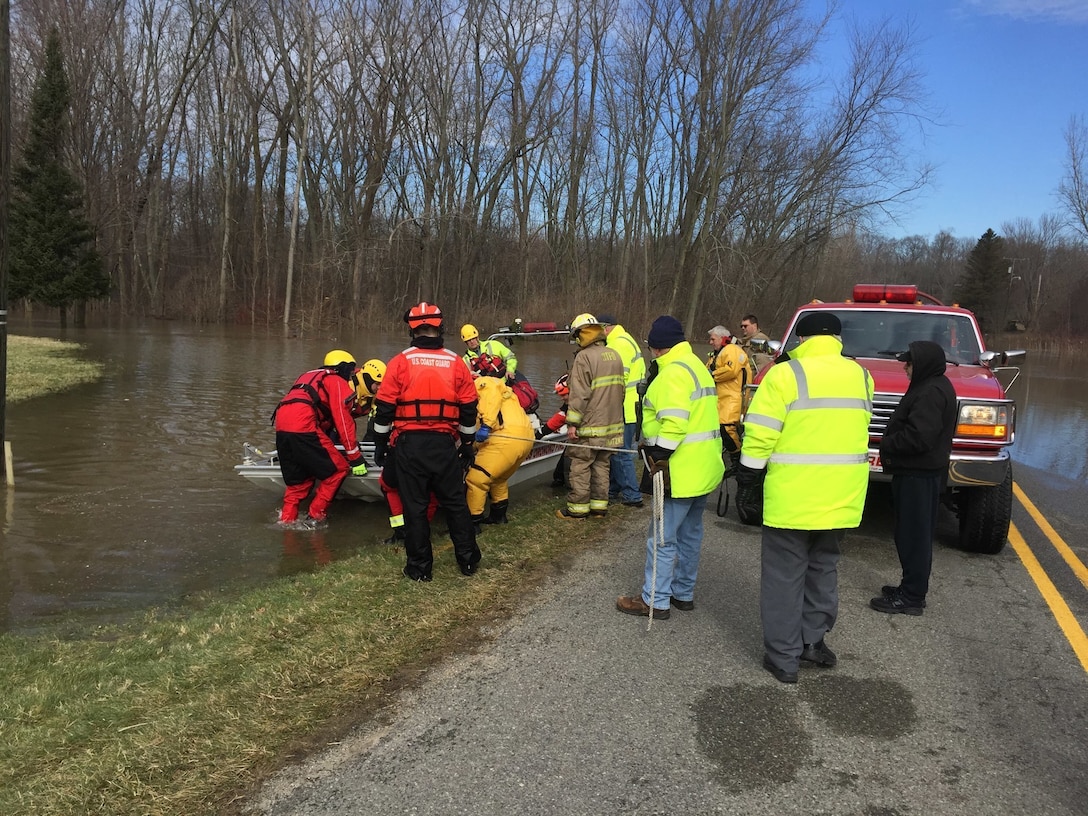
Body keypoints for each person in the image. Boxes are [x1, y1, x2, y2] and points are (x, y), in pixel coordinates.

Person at [736, 311, 873, 683]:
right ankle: (813, 642)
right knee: (823, 568)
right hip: (842, 495)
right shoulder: (861, 375)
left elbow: (762, 431)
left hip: (793, 498)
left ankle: (783, 658)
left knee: (784, 575)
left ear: (801, 339)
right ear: (837, 339)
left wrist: (748, 472)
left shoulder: (785, 374)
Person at [616, 316, 724, 619]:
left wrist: (654, 454)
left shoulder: (672, 375)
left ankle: (655, 600)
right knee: (691, 535)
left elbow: (674, 424)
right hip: (704, 468)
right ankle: (683, 593)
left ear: (656, 347)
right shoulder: (697, 367)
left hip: (678, 471)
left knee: (662, 538)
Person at [373, 302, 482, 581]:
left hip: (410, 444)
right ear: (440, 327)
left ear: (411, 329)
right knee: (456, 503)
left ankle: (420, 569)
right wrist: (468, 445)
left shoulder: (399, 362)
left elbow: (384, 409)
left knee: (415, 507)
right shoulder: (456, 362)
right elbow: (469, 408)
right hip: (445, 443)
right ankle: (469, 561)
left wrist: (381, 446)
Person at [869, 340, 957, 616]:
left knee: (914, 536)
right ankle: (909, 587)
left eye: (909, 363)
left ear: (922, 364)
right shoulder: (930, 386)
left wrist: (888, 443)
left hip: (919, 475)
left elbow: (920, 437)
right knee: (908, 533)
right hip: (918, 473)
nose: (905, 367)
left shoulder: (931, 391)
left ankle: (912, 596)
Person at [272, 350, 369, 526]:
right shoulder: (336, 380)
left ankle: (286, 523)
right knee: (338, 471)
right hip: (304, 426)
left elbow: (322, 410)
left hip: (282, 426)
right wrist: (355, 456)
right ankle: (315, 518)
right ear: (343, 368)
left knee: (297, 485)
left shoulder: (308, 376)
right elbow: (342, 418)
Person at [557, 313, 625, 520]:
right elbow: (621, 391)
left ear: (582, 334)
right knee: (602, 465)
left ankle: (577, 509)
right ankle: (598, 508)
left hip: (589, 425)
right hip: (611, 425)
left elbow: (579, 394)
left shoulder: (584, 357)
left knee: (580, 466)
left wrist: (572, 423)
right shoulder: (614, 355)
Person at [466, 375, 536, 531]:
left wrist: (486, 426)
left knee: (476, 479)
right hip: (525, 437)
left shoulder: (482, 384)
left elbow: (490, 402)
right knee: (498, 477)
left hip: (505, 438)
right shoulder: (505, 390)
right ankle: (499, 516)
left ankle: (472, 522)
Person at [598, 313, 646, 508]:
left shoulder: (618, 344)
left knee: (620, 452)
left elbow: (618, 380)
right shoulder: (625, 340)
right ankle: (612, 489)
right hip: (632, 407)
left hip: (625, 409)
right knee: (617, 451)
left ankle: (632, 495)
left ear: (605, 328)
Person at [706, 325, 749, 474]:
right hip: (722, 398)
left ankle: (739, 461)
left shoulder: (732, 350)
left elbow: (730, 371)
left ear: (723, 338)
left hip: (733, 397)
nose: (711, 342)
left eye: (713, 339)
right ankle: (736, 461)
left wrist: (711, 375)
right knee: (723, 429)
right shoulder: (717, 353)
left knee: (727, 428)